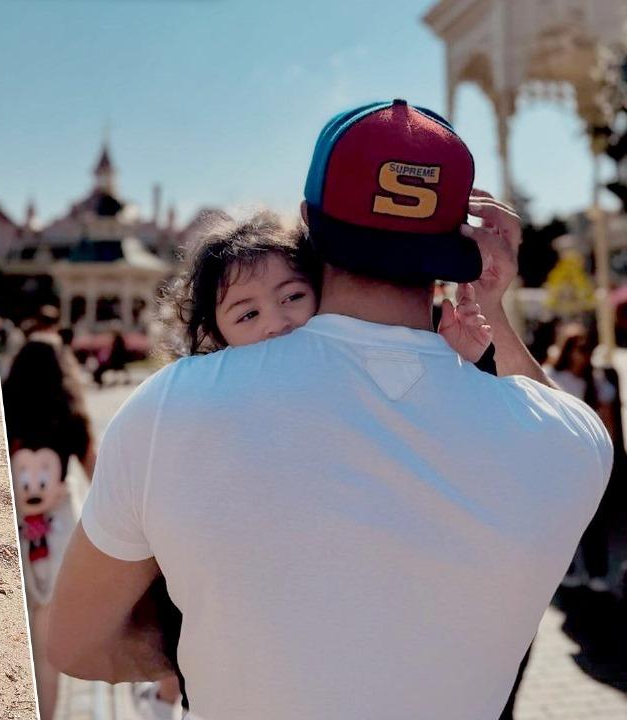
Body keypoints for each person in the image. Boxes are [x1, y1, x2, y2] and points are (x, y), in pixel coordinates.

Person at [47, 99, 612, 719]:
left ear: (309, 222)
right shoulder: (570, 445)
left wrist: (202, 651)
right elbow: (562, 420)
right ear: (458, 244)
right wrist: (493, 310)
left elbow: (74, 641)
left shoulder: (169, 408)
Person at [2, 335, 95, 720]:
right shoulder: (72, 419)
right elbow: (102, 482)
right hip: (57, 541)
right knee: (45, 656)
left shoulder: (7, 412)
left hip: (15, 534)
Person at [546, 323, 618, 591]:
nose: (584, 354)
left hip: (590, 462)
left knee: (595, 519)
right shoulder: (552, 376)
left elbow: (608, 423)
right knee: (565, 520)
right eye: (579, 349)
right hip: (561, 462)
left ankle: (597, 571)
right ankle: (570, 570)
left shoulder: (595, 379)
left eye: (587, 349)